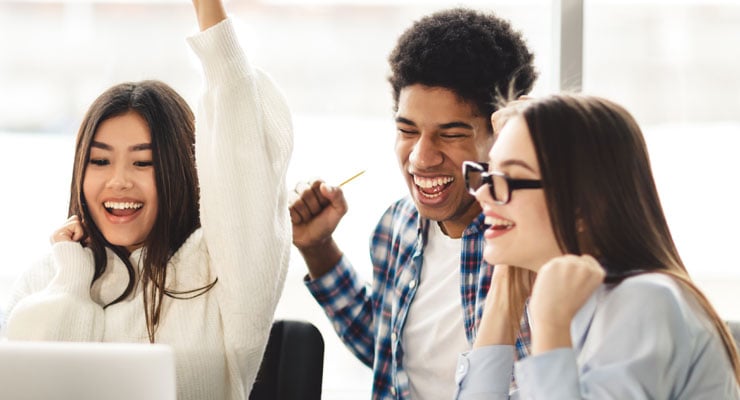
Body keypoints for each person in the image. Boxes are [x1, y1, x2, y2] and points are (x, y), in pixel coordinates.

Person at [1, 0, 293, 399]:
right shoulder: (48, 275)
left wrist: (209, 11)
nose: (118, 181)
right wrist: (71, 278)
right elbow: (28, 388)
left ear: (179, 170)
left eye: (143, 163)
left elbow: (242, 154)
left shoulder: (218, 270)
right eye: (100, 160)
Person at [289, 7, 537, 399]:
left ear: (499, 131)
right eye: (407, 130)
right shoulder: (396, 227)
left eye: (450, 134)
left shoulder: (532, 240)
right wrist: (318, 249)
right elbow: (389, 351)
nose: (421, 158)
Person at [455, 94, 740, 399]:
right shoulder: (585, 301)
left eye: (507, 178)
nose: (482, 194)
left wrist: (552, 328)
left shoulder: (643, 300)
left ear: (582, 204)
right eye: (486, 174)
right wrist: (504, 295)